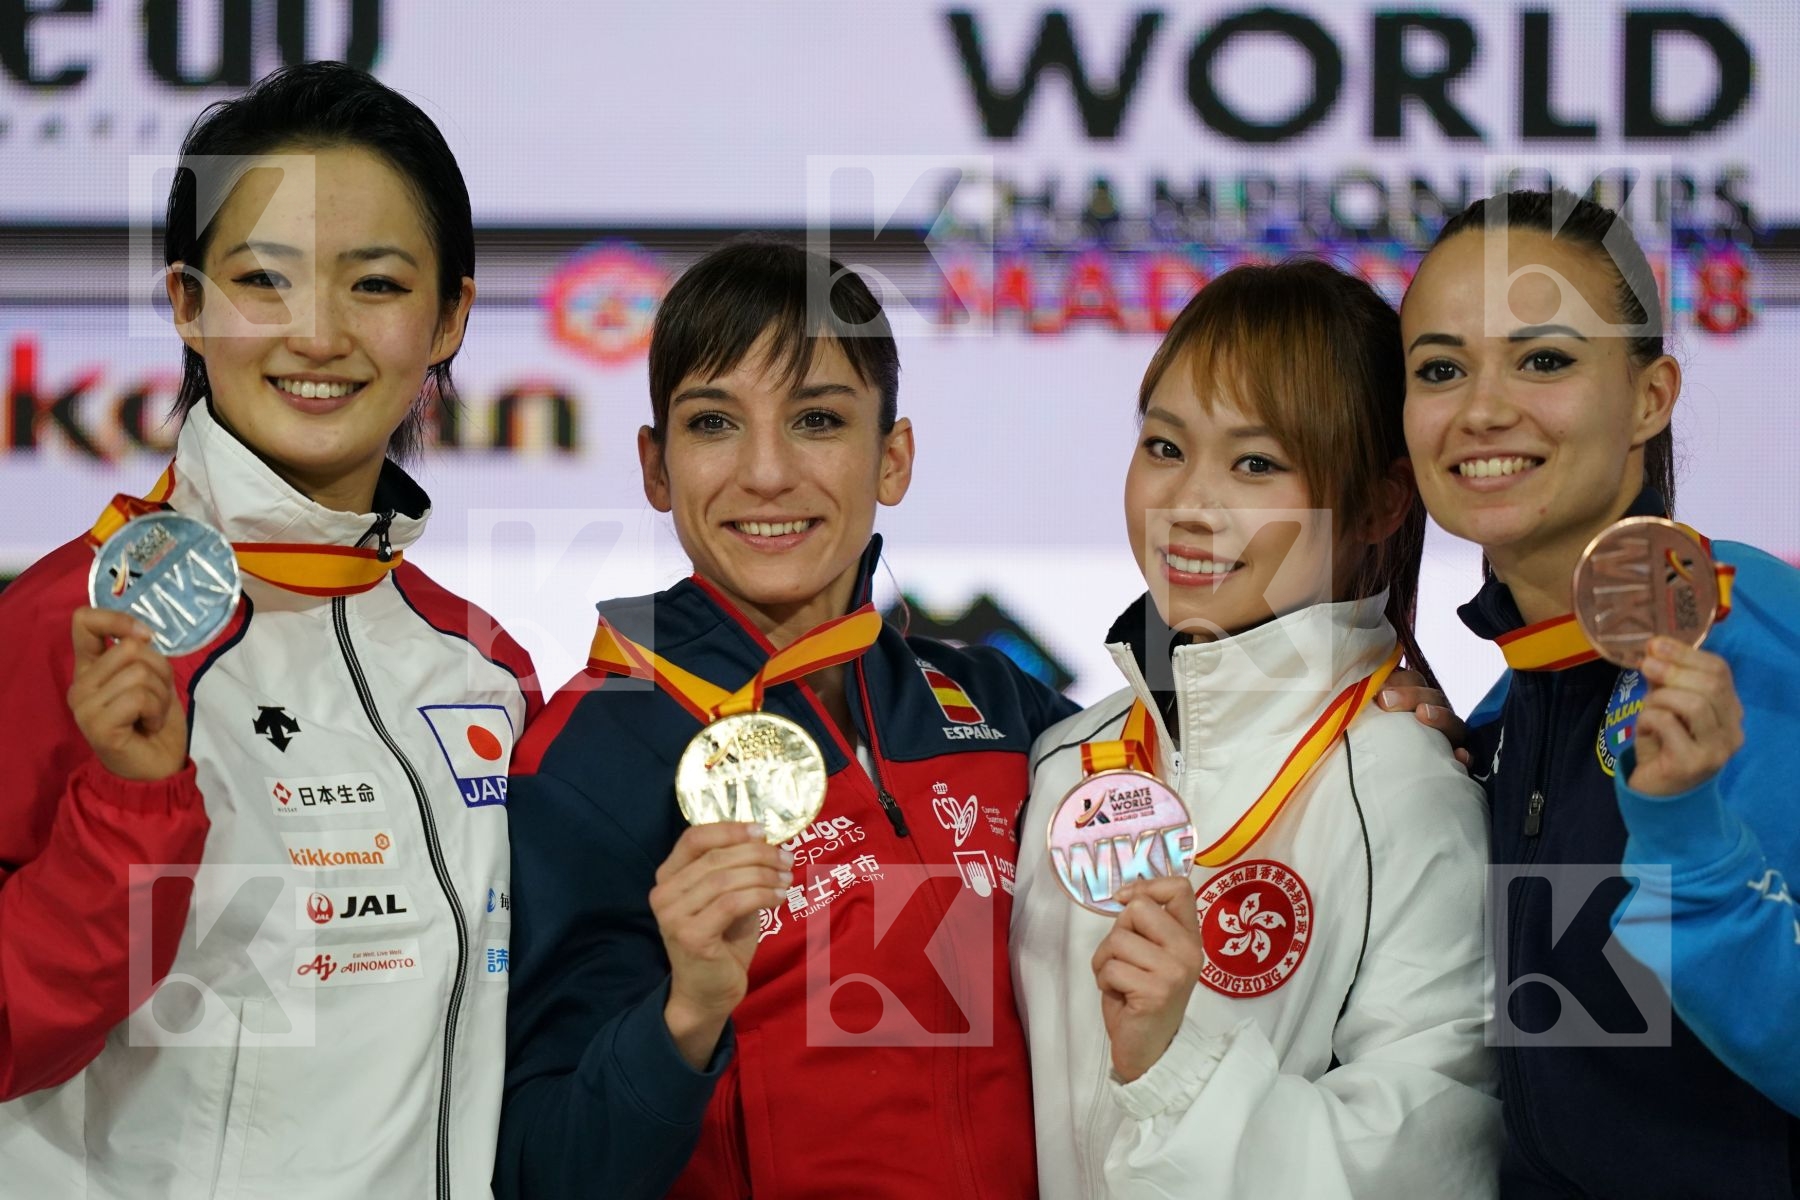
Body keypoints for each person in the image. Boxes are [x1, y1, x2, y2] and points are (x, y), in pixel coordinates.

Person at [0, 62, 538, 1198]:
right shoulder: (66, 627)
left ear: (449, 318)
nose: (320, 334)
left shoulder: (483, 668)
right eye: (263, 280)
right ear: (187, 303)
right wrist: (127, 813)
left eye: (377, 285)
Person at [495, 240, 1077, 1199]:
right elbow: (544, 1171)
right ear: (656, 466)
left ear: (892, 458)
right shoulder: (593, 755)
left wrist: (1371, 691)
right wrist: (684, 1017)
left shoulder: (1003, 708)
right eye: (715, 422)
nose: (766, 473)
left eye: (816, 419)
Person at [1011, 259, 1502, 1199]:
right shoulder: (1067, 761)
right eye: (1164, 447)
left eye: (1256, 463)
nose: (1189, 506)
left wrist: (1176, 1067)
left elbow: (1425, 1165)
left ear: (1378, 503)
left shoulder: (1408, 786)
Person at [1403, 188, 1800, 1196]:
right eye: (1441, 368)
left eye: (1544, 359)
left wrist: (1693, 846)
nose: (1483, 408)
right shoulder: (1514, 703)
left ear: (1652, 395)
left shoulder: (1760, 637)